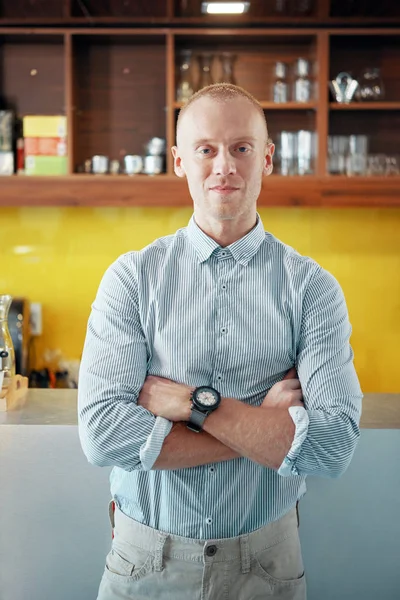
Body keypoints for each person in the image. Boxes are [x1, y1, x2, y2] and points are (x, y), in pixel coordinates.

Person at [78, 83, 363, 600]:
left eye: (241, 148)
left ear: (267, 158)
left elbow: (332, 446)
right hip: (145, 565)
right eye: (206, 149)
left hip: (267, 567)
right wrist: (262, 431)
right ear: (179, 161)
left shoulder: (313, 288)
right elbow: (103, 434)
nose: (224, 166)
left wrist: (192, 404)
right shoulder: (131, 279)